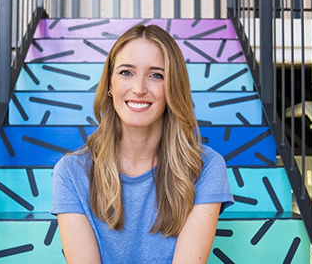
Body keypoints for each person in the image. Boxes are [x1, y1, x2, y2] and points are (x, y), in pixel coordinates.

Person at [50, 24, 234, 264]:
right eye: (126, 72)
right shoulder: (71, 172)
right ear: (109, 85)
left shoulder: (206, 167)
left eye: (156, 75)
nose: (139, 89)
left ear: (172, 88)